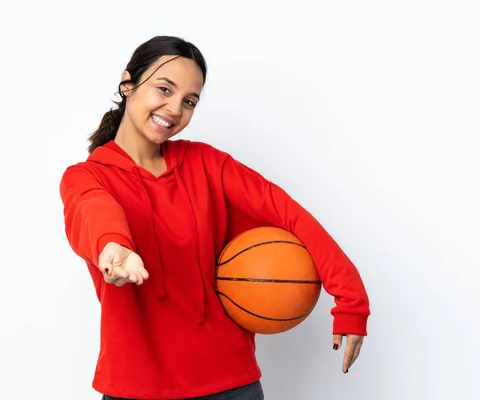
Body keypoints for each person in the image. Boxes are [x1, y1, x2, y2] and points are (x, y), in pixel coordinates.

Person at [59, 35, 370, 400]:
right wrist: (112, 245)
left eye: (189, 101)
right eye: (164, 89)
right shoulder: (87, 177)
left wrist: (351, 301)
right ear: (128, 83)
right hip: (136, 387)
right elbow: (93, 208)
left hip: (231, 384)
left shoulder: (209, 165)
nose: (175, 109)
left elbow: (291, 216)